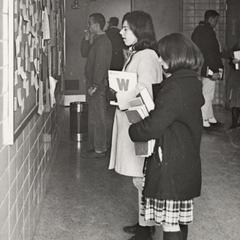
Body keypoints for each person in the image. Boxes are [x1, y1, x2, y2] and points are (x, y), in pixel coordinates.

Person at [129, 33, 204, 240]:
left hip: (169, 164)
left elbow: (154, 126)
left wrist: (133, 130)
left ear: (176, 56)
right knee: (180, 220)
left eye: (163, 56)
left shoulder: (174, 87)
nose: (160, 61)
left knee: (169, 224)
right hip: (185, 161)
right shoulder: (191, 82)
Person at [108, 11, 162, 240]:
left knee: (142, 176)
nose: (121, 32)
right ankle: (143, 223)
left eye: (126, 28)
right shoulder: (137, 53)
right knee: (138, 177)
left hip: (140, 125)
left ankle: (146, 229)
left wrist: (123, 100)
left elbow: (147, 95)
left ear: (140, 30)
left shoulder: (147, 55)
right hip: (133, 121)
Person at [81, 13, 112, 158]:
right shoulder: (96, 40)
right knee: (93, 114)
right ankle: (95, 145)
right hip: (93, 83)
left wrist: (95, 84)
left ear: (96, 25)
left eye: (89, 24)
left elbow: (101, 65)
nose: (88, 26)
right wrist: (87, 39)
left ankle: (100, 147)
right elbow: (84, 53)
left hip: (97, 85)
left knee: (99, 116)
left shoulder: (103, 42)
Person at [191, 10, 223, 129]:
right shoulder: (208, 32)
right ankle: (204, 119)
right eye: (216, 20)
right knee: (208, 93)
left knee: (207, 92)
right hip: (209, 67)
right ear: (210, 19)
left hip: (200, 66)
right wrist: (214, 70)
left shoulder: (198, 30)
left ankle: (210, 117)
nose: (216, 23)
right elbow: (210, 53)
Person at [226, 40, 240, 129]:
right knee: (235, 100)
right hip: (236, 76)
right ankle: (234, 123)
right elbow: (230, 58)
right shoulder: (237, 45)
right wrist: (233, 62)